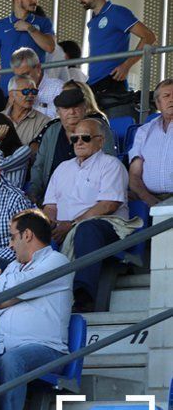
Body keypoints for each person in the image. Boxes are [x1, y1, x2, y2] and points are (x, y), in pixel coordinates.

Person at [0, 209, 74, 410]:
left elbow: (11, 288)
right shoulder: (12, 267)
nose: (10, 244)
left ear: (28, 235)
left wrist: (2, 285)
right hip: (1, 346)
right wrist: (12, 294)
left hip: (47, 350)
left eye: (12, 237)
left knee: (13, 360)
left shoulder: (57, 261)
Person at [43, 118, 129, 312]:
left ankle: (83, 296)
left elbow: (108, 205)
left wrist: (72, 224)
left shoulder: (111, 164)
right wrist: (53, 224)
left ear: (100, 140)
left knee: (86, 229)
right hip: (65, 228)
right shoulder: (62, 168)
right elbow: (50, 206)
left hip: (105, 226)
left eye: (86, 137)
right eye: (75, 138)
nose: (79, 142)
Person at [29, 88, 117, 202]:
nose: (72, 112)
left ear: (85, 108)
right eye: (66, 108)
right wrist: (34, 193)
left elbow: (110, 163)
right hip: (52, 199)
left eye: (76, 107)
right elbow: (39, 167)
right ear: (58, 112)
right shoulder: (52, 131)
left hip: (89, 199)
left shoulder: (98, 128)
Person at [76, 0, 157, 101]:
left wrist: (126, 65)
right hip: (93, 83)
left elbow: (149, 36)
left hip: (112, 80)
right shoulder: (92, 21)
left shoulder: (117, 12)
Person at [0, 0, 55, 93]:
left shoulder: (44, 22)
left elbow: (50, 47)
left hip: (35, 90)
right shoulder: (0, 25)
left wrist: (29, 27)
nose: (35, 1)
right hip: (8, 90)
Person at [129, 78, 173, 206]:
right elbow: (134, 175)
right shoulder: (144, 131)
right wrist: (149, 200)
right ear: (158, 104)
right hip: (148, 199)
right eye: (166, 96)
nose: (171, 99)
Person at [10, 47, 65, 119]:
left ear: (38, 68)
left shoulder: (58, 88)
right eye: (18, 76)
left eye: (26, 74)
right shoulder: (15, 91)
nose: (22, 80)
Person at [3, 75, 51, 146]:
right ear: (12, 94)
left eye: (34, 91)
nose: (31, 95)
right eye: (25, 91)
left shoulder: (44, 121)